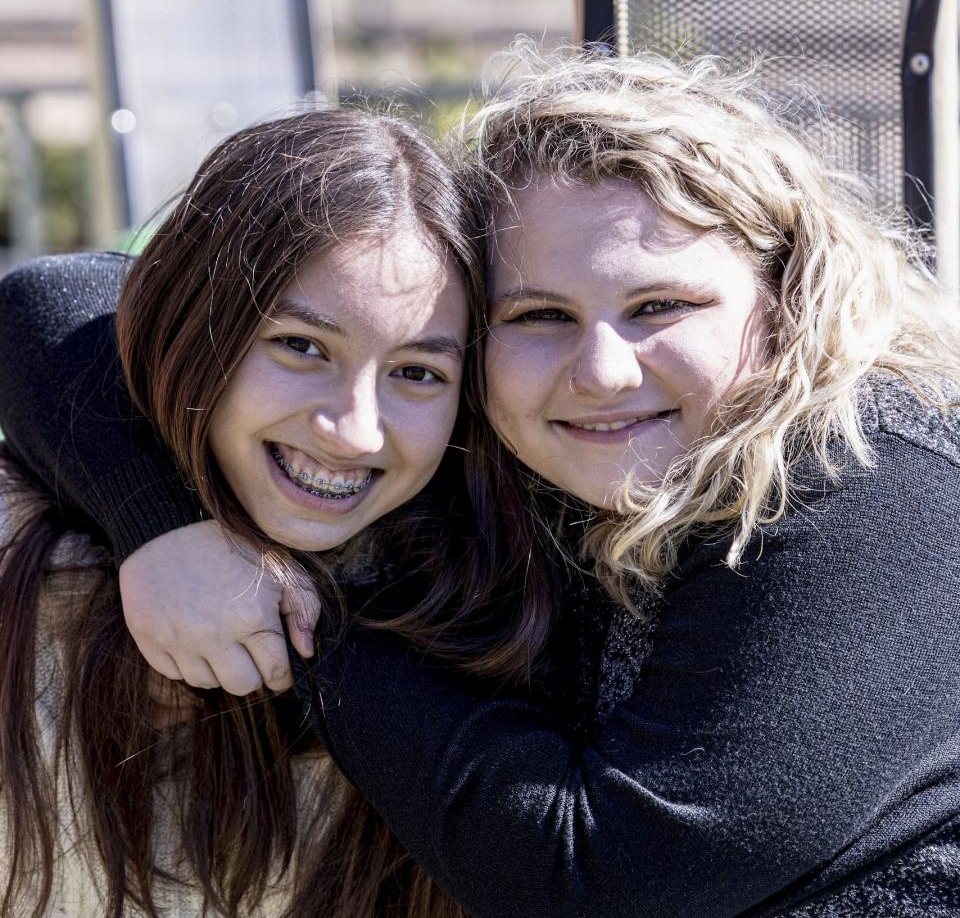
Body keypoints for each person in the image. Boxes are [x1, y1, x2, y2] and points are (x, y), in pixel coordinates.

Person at [4, 47, 960, 917]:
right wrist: (165, 527)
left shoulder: (864, 475)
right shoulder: (537, 454)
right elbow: (49, 301)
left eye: (659, 305)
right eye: (540, 314)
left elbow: (612, 883)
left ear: (786, 297)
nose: (603, 371)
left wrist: (300, 626)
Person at [0, 106, 494, 917]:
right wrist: (159, 522)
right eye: (300, 346)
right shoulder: (31, 560)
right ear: (192, 326)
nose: (353, 429)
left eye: (417, 373)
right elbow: (47, 298)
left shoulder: (495, 603)